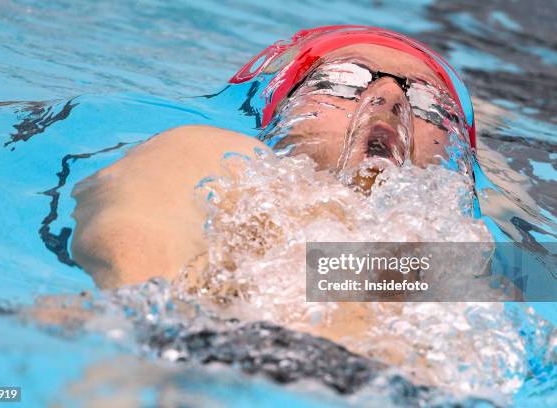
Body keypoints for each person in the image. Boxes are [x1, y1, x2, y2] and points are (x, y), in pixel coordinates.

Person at [71, 26, 476, 290]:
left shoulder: (472, 251)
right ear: (278, 111)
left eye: (429, 106)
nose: (388, 101)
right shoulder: (218, 156)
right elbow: (134, 256)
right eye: (343, 81)